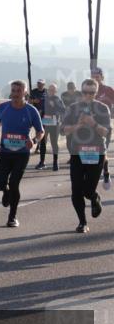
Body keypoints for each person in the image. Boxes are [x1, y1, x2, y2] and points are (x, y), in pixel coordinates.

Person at [61, 78, 111, 233]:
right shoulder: (73, 108)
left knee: (88, 190)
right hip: (77, 152)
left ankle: (94, 197)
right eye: (85, 92)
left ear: (96, 93)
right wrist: (77, 126)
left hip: (97, 153)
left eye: (91, 93)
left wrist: (92, 123)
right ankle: (82, 222)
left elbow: (107, 132)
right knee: (76, 190)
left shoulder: (102, 108)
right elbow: (63, 130)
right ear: (81, 92)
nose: (88, 95)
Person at [0, 80, 44, 228]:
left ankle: (12, 217)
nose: (15, 94)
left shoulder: (31, 110)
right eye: (13, 91)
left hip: (22, 154)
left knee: (15, 183)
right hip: (5, 152)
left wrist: (34, 141)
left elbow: (41, 131)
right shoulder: (3, 108)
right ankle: (5, 191)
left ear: (25, 93)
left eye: (18, 91)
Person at [91, 68, 114, 191]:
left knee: (101, 150)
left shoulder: (108, 90)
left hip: (105, 127)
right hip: (89, 128)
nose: (95, 78)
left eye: (97, 76)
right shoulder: (88, 91)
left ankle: (105, 172)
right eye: (93, 75)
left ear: (102, 77)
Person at [39, 83, 66, 171]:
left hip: (55, 123)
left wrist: (55, 106)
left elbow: (63, 110)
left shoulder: (57, 99)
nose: (51, 91)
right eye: (49, 89)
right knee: (42, 142)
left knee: (54, 143)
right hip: (45, 122)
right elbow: (39, 108)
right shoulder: (44, 99)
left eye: (53, 90)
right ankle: (42, 162)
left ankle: (55, 162)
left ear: (55, 91)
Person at [29, 79, 48, 169]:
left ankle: (43, 161)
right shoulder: (33, 91)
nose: (39, 85)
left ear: (44, 84)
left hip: (46, 117)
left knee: (43, 136)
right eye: (38, 83)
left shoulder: (47, 92)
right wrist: (33, 101)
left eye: (41, 84)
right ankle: (35, 144)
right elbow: (29, 101)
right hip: (35, 116)